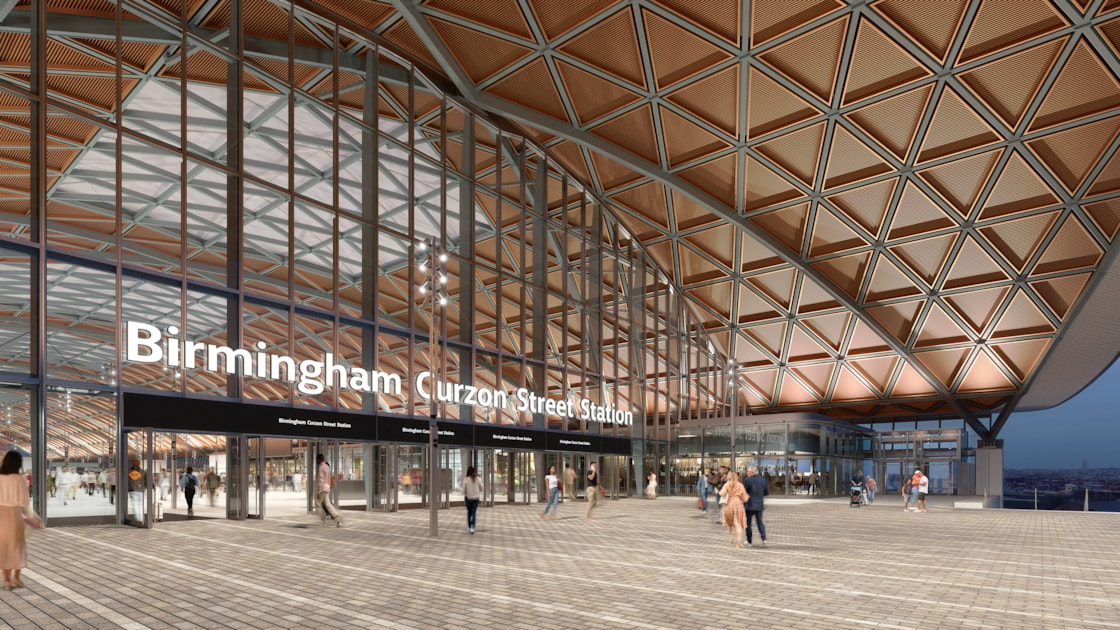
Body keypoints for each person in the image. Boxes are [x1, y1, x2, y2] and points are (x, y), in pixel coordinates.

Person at [0, 451, 44, 590]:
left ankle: (6, 580)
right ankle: (16, 578)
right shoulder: (19, 479)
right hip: (14, 514)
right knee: (18, 546)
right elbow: (24, 502)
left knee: (3, 548)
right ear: (18, 464)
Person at [718, 470, 749, 548]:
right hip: (738, 504)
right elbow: (745, 498)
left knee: (730, 523)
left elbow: (722, 493)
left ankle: (731, 537)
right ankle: (738, 543)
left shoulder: (726, 485)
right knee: (738, 524)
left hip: (729, 504)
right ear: (736, 476)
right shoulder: (740, 485)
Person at [315, 454, 343, 527]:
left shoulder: (321, 467)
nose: (316, 461)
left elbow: (321, 480)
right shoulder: (327, 466)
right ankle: (337, 519)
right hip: (327, 487)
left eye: (316, 459)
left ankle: (323, 518)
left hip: (322, 488)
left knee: (318, 504)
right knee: (328, 504)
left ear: (318, 459)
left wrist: (318, 491)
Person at [463, 466, 482, 533]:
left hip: (468, 497)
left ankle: (469, 526)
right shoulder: (478, 479)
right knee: (473, 512)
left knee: (469, 512)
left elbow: (464, 489)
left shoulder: (466, 479)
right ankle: (472, 527)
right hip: (476, 498)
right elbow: (481, 488)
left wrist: (465, 494)